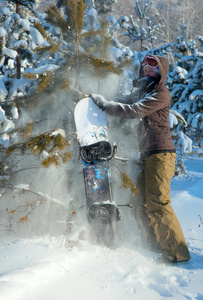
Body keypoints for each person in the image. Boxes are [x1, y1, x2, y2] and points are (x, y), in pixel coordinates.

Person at [90, 55, 190, 264]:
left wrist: (106, 106)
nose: (146, 71)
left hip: (161, 155)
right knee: (140, 202)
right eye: (144, 68)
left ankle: (177, 253)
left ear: (161, 72)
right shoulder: (143, 92)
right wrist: (96, 101)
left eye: (152, 68)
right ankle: (154, 244)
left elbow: (134, 110)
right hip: (147, 154)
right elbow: (125, 102)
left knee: (158, 203)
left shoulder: (161, 93)